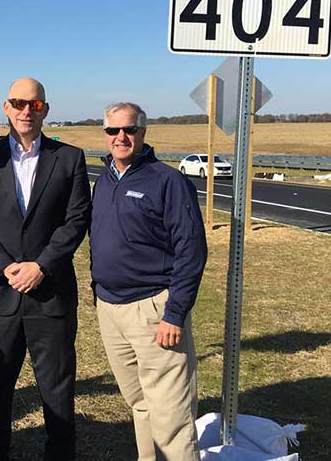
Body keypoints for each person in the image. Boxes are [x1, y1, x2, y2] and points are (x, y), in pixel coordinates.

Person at [0, 77, 91, 461]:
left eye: (35, 105)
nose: (26, 111)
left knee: (56, 385)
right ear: (6, 107)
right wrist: (4, 267)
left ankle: (59, 453)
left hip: (50, 295)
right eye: (19, 103)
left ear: (46, 110)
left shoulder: (69, 157)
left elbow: (77, 219)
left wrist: (41, 265)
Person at [90, 102, 207, 461]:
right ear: (106, 134)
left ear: (143, 133)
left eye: (129, 130)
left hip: (153, 310)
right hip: (110, 309)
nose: (121, 137)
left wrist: (174, 313)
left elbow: (191, 249)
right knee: (140, 403)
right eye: (113, 131)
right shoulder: (105, 178)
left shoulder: (167, 180)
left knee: (170, 414)